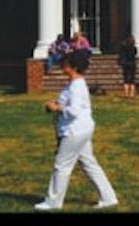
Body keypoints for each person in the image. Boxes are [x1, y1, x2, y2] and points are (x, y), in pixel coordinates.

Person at [34, 49, 119, 211]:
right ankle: (108, 197)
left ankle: (53, 202)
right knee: (89, 163)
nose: (62, 66)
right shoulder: (75, 84)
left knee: (62, 165)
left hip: (75, 131)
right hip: (81, 129)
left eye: (65, 64)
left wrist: (56, 107)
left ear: (72, 67)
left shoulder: (76, 87)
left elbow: (74, 111)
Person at [116, 34, 138, 98]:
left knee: (125, 78)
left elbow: (121, 54)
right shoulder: (134, 48)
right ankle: (132, 93)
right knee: (132, 79)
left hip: (125, 64)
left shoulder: (123, 47)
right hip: (132, 63)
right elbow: (135, 54)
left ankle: (126, 93)